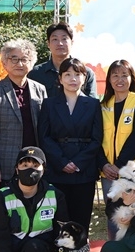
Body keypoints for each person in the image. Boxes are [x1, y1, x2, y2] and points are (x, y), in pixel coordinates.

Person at [38, 58, 107, 238]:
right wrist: (62, 162)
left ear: (84, 78)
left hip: (83, 170)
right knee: (58, 219)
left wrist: (77, 163)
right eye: (67, 74)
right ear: (60, 79)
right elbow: (44, 137)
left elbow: (96, 138)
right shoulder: (49, 104)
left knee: (81, 220)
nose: (72, 79)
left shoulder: (93, 104)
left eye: (77, 74)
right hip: (57, 168)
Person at [0, 39, 47, 189]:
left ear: (32, 63)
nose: (20, 64)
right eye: (14, 59)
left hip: (35, 161)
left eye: (25, 59)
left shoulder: (40, 89)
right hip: (6, 164)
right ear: (4, 63)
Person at [100, 59, 135, 244]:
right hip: (108, 172)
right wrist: (104, 164)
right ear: (109, 79)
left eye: (124, 75)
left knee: (133, 213)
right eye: (115, 75)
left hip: (134, 172)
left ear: (132, 78)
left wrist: (118, 166)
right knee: (113, 213)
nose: (119, 79)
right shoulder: (104, 105)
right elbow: (96, 139)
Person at [29, 23, 97, 97]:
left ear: (72, 42)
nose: (60, 43)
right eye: (55, 39)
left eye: (64, 39)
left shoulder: (86, 73)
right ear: (48, 44)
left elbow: (91, 105)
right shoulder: (36, 73)